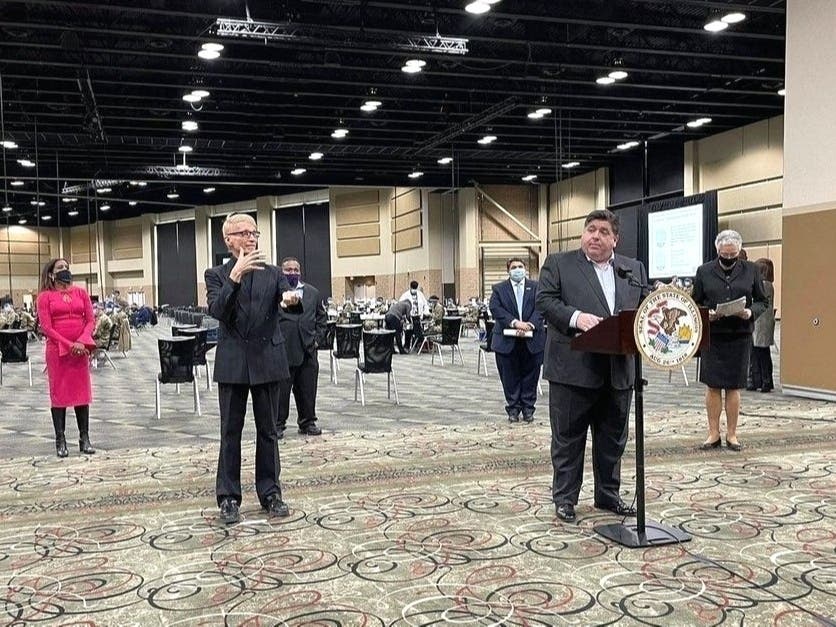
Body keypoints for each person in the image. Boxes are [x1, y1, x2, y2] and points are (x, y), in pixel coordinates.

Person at [535, 209, 648, 523]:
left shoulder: (632, 269)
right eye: (590, 230)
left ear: (615, 239)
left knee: (613, 439)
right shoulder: (559, 263)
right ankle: (566, 499)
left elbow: (641, 311)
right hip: (573, 369)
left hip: (619, 370)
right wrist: (576, 318)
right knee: (569, 439)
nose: (595, 236)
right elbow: (544, 301)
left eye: (602, 231)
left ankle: (608, 496)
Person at [205, 213, 300, 525]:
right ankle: (229, 497)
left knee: (268, 431)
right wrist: (235, 275)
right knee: (230, 432)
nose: (250, 237)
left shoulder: (274, 273)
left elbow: (292, 303)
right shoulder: (216, 275)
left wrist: (289, 299)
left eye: (254, 232)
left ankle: (270, 492)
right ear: (228, 240)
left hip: (267, 360)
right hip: (233, 362)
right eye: (243, 233)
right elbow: (218, 310)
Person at [691, 230, 768, 452]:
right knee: (713, 386)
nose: (729, 260)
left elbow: (763, 301)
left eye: (733, 256)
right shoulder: (704, 271)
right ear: (718, 251)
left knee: (734, 387)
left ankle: (732, 434)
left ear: (739, 253)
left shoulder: (751, 270)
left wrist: (749, 312)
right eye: (725, 256)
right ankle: (713, 433)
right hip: (714, 335)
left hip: (740, 334)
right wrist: (708, 314)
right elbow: (695, 303)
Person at [36, 258, 97, 458]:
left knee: (81, 395)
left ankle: (84, 438)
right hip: (58, 352)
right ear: (52, 274)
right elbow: (46, 327)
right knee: (59, 396)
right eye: (60, 268)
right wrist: (69, 345)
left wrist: (81, 342)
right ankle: (60, 440)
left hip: (80, 350)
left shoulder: (81, 293)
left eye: (67, 267)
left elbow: (90, 320)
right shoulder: (45, 297)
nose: (65, 270)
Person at [276, 256, 328, 440]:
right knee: (281, 391)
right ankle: (278, 424)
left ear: (300, 272)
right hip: (283, 350)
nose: (292, 273)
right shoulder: (276, 293)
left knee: (307, 388)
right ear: (281, 272)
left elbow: (322, 319)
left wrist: (317, 340)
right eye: (288, 270)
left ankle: (307, 422)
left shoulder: (313, 293)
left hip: (308, 349)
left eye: (295, 269)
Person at [489, 257, 545, 424]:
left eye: (520, 266)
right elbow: (495, 309)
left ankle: (528, 409)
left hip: (532, 340)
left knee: (531, 377)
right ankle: (513, 409)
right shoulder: (499, 289)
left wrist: (530, 325)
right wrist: (515, 323)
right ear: (508, 270)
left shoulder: (536, 287)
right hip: (507, 342)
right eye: (514, 267)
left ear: (525, 269)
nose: (518, 269)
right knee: (509, 377)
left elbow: (542, 307)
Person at [748, 258, 776, 393]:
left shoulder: (765, 285)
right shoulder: (766, 284)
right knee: (756, 353)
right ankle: (756, 380)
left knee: (762, 353)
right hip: (758, 323)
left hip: (762, 323)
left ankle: (765, 381)